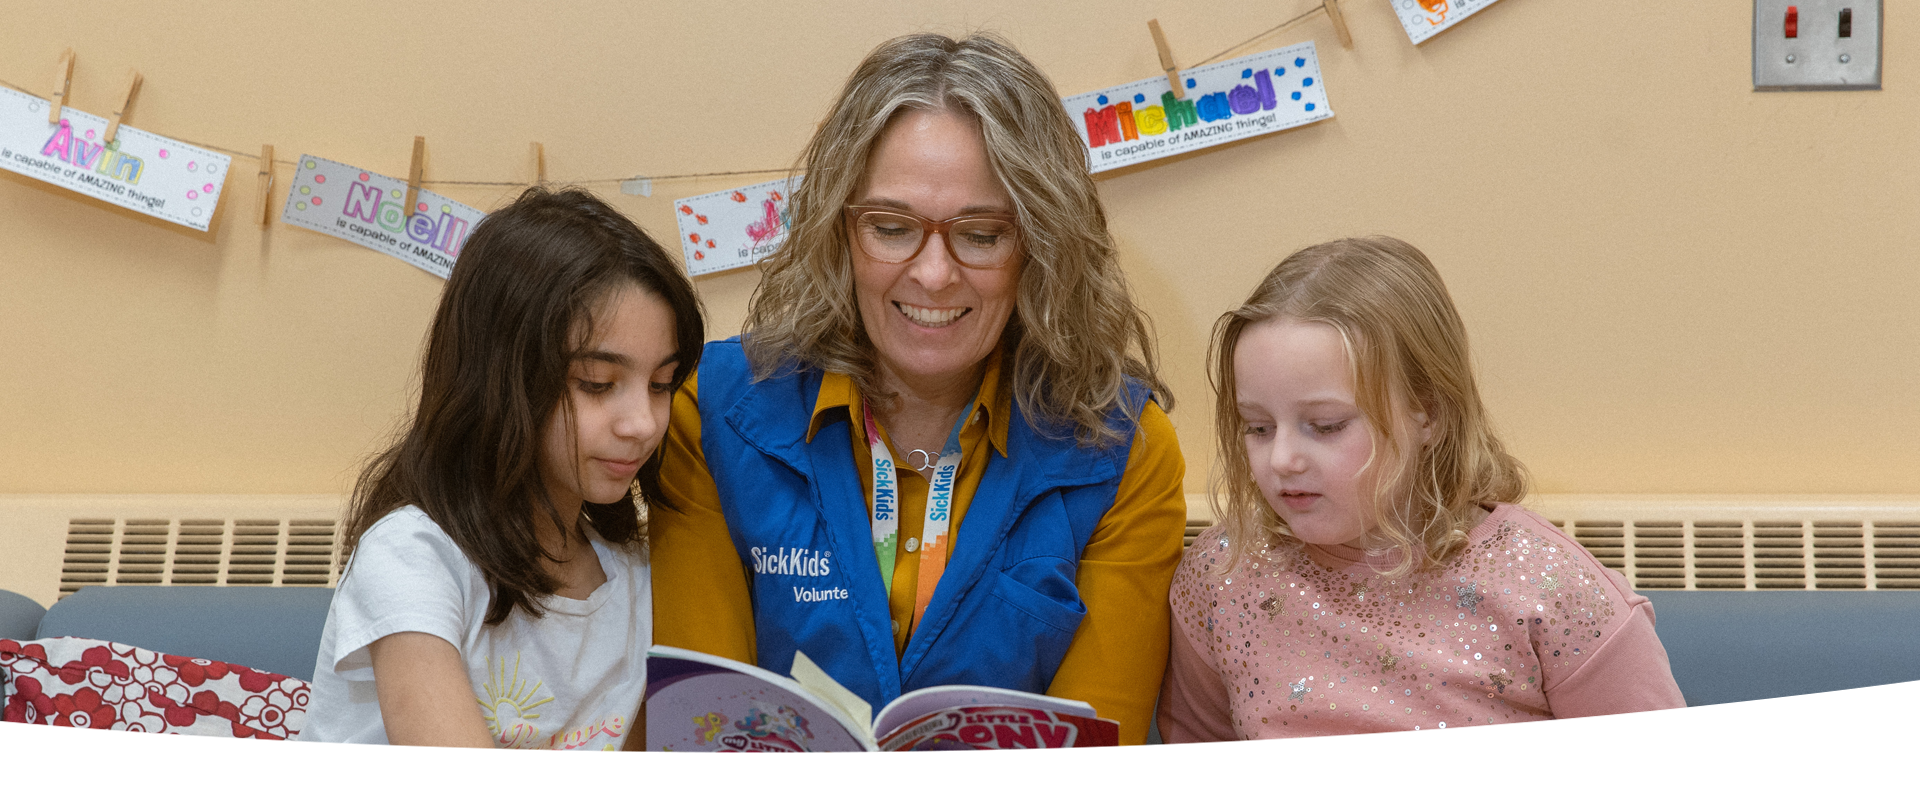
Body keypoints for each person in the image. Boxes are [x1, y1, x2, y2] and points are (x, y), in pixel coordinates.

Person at [650, 33, 1185, 746]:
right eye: (892, 228)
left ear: (1041, 245)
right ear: (838, 231)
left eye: (983, 234)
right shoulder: (711, 413)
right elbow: (705, 733)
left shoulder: (1127, 450)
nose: (933, 274)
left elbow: (1089, 757)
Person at [1158, 237, 1685, 746]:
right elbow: (1200, 753)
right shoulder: (1221, 577)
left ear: (1427, 411)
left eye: (1326, 425)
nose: (1281, 460)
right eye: (1258, 427)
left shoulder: (1550, 590)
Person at [297, 187, 705, 751]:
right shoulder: (413, 558)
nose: (642, 423)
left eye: (661, 384)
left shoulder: (633, 573)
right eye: (597, 384)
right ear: (501, 380)